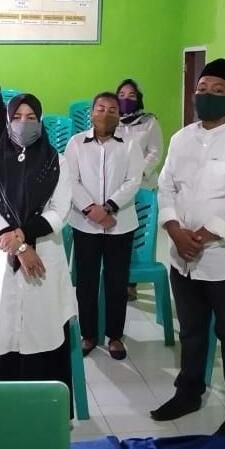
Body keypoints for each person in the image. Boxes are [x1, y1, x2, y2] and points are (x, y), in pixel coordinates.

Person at [149, 59, 225, 436]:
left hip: (222, 259)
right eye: (202, 89)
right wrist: (174, 229)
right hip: (180, 255)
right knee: (191, 330)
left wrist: (198, 237)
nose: (207, 96)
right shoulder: (181, 139)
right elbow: (165, 186)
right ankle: (189, 393)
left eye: (218, 91)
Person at [0, 94, 75, 416]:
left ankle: (42, 413)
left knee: (41, 331)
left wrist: (23, 236)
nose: (23, 123)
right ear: (7, 120)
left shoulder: (57, 161)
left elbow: (60, 210)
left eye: (31, 117)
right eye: (17, 117)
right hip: (1, 256)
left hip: (45, 256)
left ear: (40, 121)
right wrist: (19, 246)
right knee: (0, 325)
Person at [64, 92, 144, 360]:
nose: (105, 114)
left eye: (112, 110)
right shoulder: (76, 143)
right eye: (100, 108)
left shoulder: (130, 144)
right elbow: (70, 180)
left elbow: (133, 181)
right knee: (86, 281)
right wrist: (92, 209)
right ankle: (88, 334)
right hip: (85, 223)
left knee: (116, 282)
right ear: (91, 113)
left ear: (119, 115)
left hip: (120, 224)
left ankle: (115, 336)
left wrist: (108, 207)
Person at [116, 78, 164, 301]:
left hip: (143, 187)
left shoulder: (149, 122)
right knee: (120, 233)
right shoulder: (112, 121)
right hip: (117, 187)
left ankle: (131, 282)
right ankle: (119, 276)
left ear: (139, 99)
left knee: (139, 235)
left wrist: (137, 173)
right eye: (121, 95)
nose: (126, 99)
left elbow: (155, 152)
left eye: (131, 95)